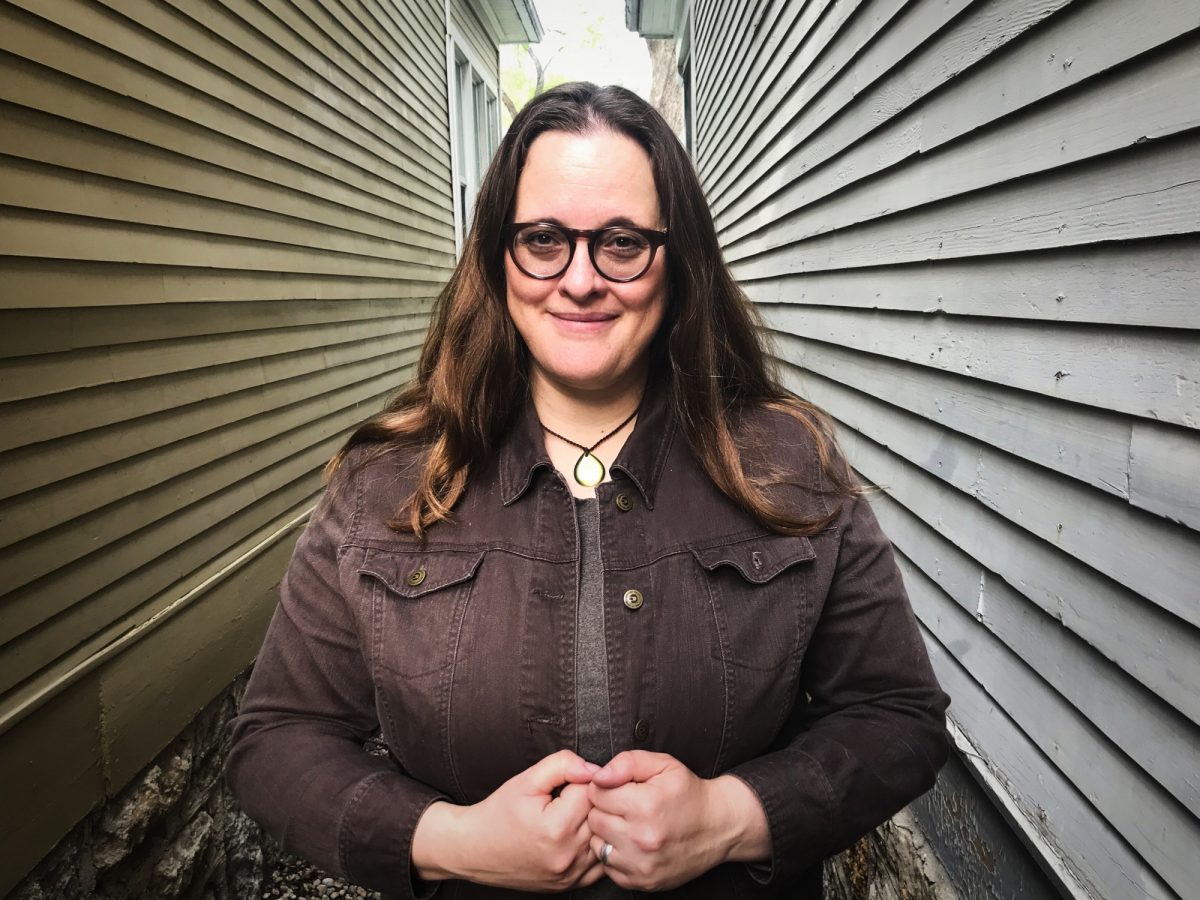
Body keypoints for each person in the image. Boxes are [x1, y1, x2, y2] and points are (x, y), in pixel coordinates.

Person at [226, 82, 950, 900]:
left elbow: (898, 717)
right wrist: (450, 839)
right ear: (498, 255)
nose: (579, 279)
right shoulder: (388, 484)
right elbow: (278, 737)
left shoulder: (788, 464)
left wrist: (732, 816)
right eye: (543, 239)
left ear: (678, 262)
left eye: (621, 243)